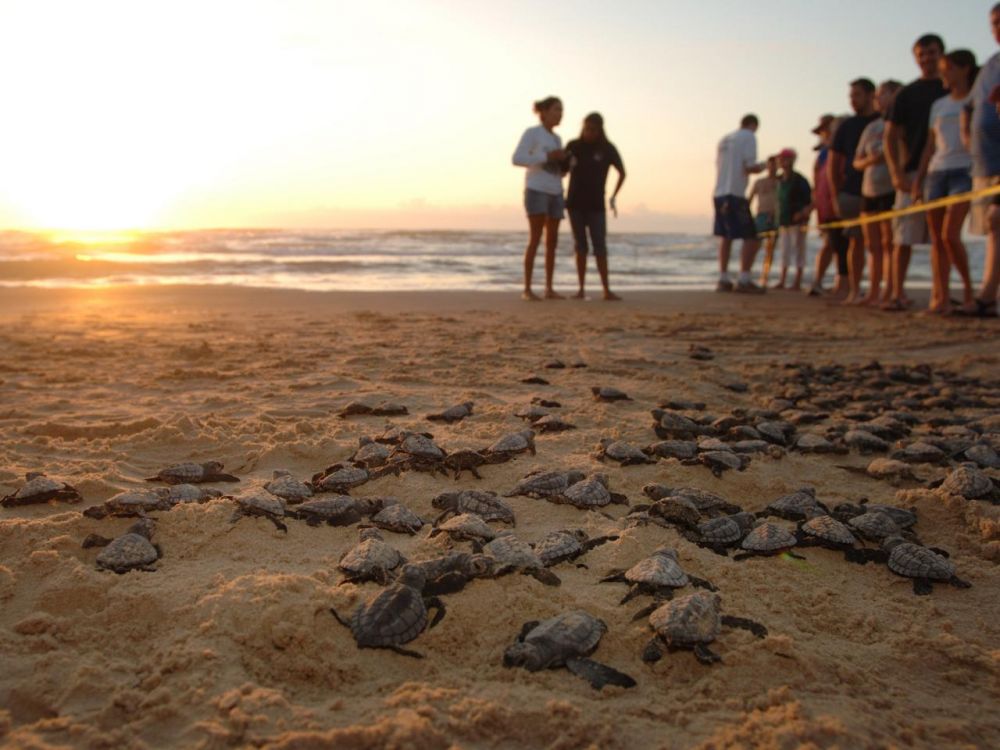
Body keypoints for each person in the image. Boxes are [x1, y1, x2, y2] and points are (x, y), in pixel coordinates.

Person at [883, 34, 946, 311]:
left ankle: (939, 295)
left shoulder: (951, 88)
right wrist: (896, 173)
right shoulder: (906, 94)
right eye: (921, 54)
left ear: (941, 54)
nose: (926, 59)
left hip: (942, 169)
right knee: (903, 238)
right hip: (909, 174)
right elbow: (889, 136)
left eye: (931, 53)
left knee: (942, 237)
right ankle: (897, 293)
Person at [913, 51, 978, 315]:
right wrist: (919, 178)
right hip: (937, 172)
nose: (943, 74)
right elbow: (930, 146)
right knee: (937, 239)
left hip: (964, 170)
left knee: (951, 235)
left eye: (948, 68)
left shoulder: (976, 99)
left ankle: (969, 293)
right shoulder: (938, 106)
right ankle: (940, 297)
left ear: (964, 70)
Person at [564, 112, 626, 300]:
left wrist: (614, 196)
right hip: (575, 203)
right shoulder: (574, 146)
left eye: (592, 130)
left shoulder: (607, 148)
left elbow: (622, 172)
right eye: (585, 129)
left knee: (600, 245)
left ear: (599, 130)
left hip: (596, 204)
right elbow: (561, 170)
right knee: (580, 245)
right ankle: (581, 289)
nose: (588, 133)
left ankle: (606, 289)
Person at [963, 3, 1000, 318]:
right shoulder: (990, 65)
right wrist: (967, 135)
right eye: (994, 23)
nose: (997, 28)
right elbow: (971, 105)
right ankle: (988, 293)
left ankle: (988, 294)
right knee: (993, 225)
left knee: (996, 220)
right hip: (986, 162)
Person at [512, 96, 568, 300]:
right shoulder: (533, 133)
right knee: (535, 239)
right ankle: (527, 288)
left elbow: (558, 169)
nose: (560, 114)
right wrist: (546, 157)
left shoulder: (557, 139)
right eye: (556, 109)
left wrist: (565, 164)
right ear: (543, 112)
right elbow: (517, 158)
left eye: (561, 110)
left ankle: (549, 288)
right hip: (537, 189)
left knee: (551, 241)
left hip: (556, 190)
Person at [853, 80, 903, 306]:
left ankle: (890, 291)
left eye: (883, 94)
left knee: (889, 243)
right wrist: (872, 160)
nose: (877, 99)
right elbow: (857, 161)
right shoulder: (871, 128)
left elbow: (904, 150)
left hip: (890, 188)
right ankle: (873, 291)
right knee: (872, 245)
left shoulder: (900, 122)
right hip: (869, 189)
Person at [830, 78, 879, 304]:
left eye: (857, 95)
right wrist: (835, 194)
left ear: (871, 95)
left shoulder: (883, 121)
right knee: (855, 241)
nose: (852, 100)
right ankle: (855, 289)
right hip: (852, 190)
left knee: (882, 242)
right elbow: (834, 162)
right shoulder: (847, 126)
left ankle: (878, 291)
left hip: (880, 189)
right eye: (850, 96)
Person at [712, 114, 766, 293]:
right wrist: (764, 166)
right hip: (735, 192)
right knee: (751, 237)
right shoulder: (749, 136)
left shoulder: (724, 139)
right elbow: (749, 166)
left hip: (719, 192)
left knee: (725, 236)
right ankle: (744, 278)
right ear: (753, 125)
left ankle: (723, 277)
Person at [808, 114, 847, 296]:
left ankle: (839, 282)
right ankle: (834, 283)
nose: (821, 135)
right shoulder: (826, 153)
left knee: (836, 243)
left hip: (830, 202)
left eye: (824, 131)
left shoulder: (828, 151)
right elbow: (820, 182)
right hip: (829, 204)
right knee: (835, 242)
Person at [774, 149, 813, 290]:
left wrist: (803, 213)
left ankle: (797, 281)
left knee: (798, 249)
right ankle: (782, 280)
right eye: (780, 159)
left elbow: (810, 200)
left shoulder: (800, 180)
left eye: (785, 159)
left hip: (798, 220)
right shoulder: (779, 180)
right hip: (784, 220)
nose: (782, 162)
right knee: (784, 250)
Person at [749, 156, 780, 286]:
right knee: (754, 246)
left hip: (775, 218)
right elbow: (749, 199)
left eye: (775, 165)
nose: (772, 168)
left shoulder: (781, 182)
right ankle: (747, 273)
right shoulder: (759, 182)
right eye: (770, 165)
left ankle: (764, 276)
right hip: (761, 216)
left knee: (770, 248)